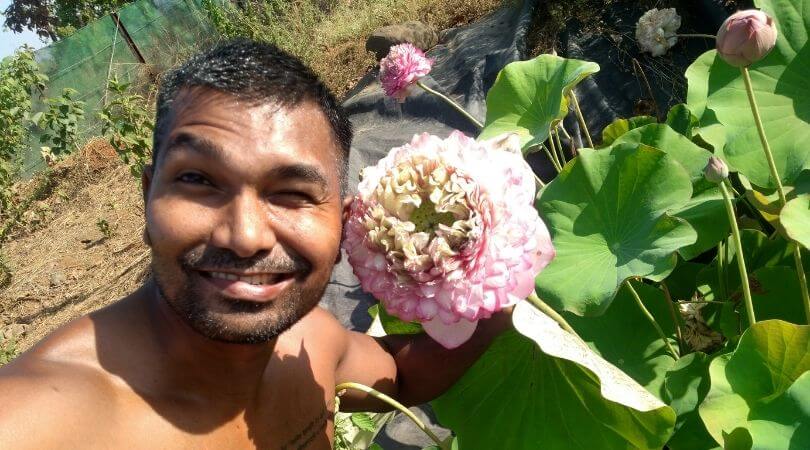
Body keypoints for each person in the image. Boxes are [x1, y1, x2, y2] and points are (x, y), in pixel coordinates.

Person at [0, 39, 510, 449]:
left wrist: (498, 275)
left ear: (346, 226)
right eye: (198, 180)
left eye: (291, 193)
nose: (244, 237)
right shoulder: (38, 420)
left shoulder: (314, 343)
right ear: (147, 194)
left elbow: (398, 376)